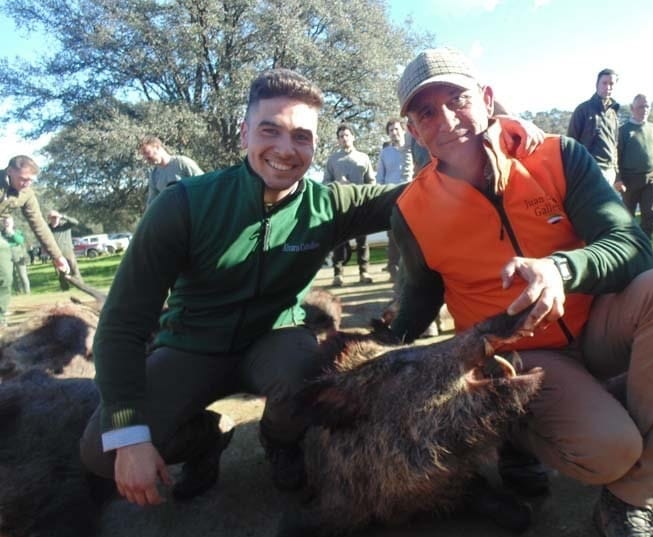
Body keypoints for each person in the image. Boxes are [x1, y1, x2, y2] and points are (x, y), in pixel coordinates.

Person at [390, 48, 653, 537]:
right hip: (520, 358)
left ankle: (632, 506)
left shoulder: (559, 157)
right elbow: (416, 306)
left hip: (596, 322)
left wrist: (564, 268)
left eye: (456, 99)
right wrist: (372, 343)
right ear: (414, 131)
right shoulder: (412, 211)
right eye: (424, 112)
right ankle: (516, 431)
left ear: (486, 99)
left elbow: (633, 247)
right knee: (611, 449)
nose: (444, 120)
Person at [78, 68, 412, 508]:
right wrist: (129, 436)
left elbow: (423, 195)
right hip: (191, 343)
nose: (285, 149)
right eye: (269, 130)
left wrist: (491, 138)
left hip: (277, 336)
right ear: (243, 134)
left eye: (301, 136)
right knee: (100, 451)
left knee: (306, 384)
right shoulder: (182, 205)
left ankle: (278, 442)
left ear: (315, 145)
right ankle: (207, 439)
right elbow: (121, 325)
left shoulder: (328, 204)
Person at [0, 156, 70, 326]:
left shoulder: (27, 194)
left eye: (30, 180)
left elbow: (38, 225)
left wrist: (57, 256)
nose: (26, 184)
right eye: (23, 179)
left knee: (5, 274)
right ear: (10, 172)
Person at [323, 123, 376, 286]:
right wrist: (337, 183)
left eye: (347, 135)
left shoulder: (363, 158)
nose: (344, 138)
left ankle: (364, 272)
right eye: (341, 136)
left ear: (353, 136)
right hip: (341, 207)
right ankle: (338, 274)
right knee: (339, 242)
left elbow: (372, 182)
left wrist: (363, 192)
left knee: (362, 242)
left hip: (360, 206)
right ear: (338, 140)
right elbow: (325, 183)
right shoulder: (332, 160)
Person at [615, 94, 653, 238]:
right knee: (627, 217)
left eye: (647, 106)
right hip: (629, 180)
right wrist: (618, 178)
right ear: (632, 109)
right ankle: (627, 249)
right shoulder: (623, 131)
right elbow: (616, 157)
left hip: (651, 177)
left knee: (650, 214)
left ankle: (645, 248)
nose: (644, 109)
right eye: (641, 106)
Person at [567, 68, 621, 186]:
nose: (608, 87)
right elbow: (571, 143)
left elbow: (614, 144)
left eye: (611, 84)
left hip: (609, 171)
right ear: (597, 85)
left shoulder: (613, 113)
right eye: (604, 83)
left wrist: (616, 172)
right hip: (589, 169)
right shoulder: (583, 110)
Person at [376, 119, 414, 281]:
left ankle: (413, 269)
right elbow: (380, 177)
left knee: (413, 234)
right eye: (391, 130)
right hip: (392, 197)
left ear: (403, 130)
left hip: (413, 196)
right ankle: (393, 269)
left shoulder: (412, 148)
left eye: (396, 129)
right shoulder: (385, 153)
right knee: (393, 235)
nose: (394, 132)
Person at [139, 136, 204, 209]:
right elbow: (152, 205)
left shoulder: (182, 163)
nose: (146, 158)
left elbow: (204, 184)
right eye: (144, 156)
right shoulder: (154, 175)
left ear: (157, 147)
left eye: (147, 153)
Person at [47, 210, 82, 290]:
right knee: (61, 273)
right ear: (49, 219)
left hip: (68, 252)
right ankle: (65, 289)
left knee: (74, 270)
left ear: (59, 218)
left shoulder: (65, 226)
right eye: (52, 218)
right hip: (56, 254)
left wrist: (63, 216)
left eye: (56, 218)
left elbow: (75, 222)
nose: (54, 219)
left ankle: (81, 287)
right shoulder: (47, 229)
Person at [1, 216, 31, 294]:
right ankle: (18, 292)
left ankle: (27, 292)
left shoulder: (17, 231)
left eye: (8, 222)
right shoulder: (1, 233)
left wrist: (12, 233)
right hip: (6, 256)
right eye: (5, 222)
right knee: (12, 276)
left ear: (12, 223)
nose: (7, 224)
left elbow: (20, 241)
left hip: (18, 256)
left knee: (23, 275)